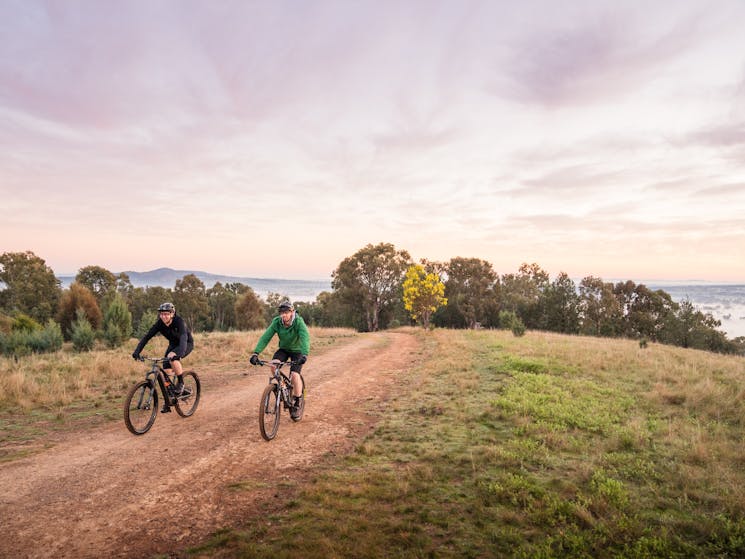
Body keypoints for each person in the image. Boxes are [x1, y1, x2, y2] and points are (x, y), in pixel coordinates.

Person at [250, 300, 310, 419]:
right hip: (283, 349)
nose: (284, 315)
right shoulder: (277, 322)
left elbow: (305, 338)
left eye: (286, 312)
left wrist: (304, 354)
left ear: (292, 312)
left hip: (298, 351)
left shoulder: (298, 322)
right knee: (273, 366)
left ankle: (297, 403)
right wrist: (256, 353)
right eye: (281, 313)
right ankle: (282, 387)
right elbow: (266, 337)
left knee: (294, 375)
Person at [132, 302, 194, 412]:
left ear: (172, 314)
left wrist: (178, 354)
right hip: (173, 344)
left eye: (166, 314)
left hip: (185, 344)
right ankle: (169, 400)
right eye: (162, 314)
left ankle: (180, 383)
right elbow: (147, 337)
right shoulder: (160, 324)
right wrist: (137, 351)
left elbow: (184, 337)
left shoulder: (179, 322)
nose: (163, 316)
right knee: (166, 371)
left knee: (172, 358)